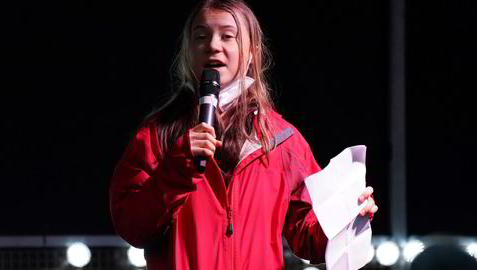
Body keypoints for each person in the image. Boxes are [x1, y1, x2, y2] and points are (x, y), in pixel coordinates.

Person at [109, 0, 378, 269]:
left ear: (252, 52)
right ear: (188, 51)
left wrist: (348, 219)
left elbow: (309, 240)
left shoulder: (283, 140)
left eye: (228, 36)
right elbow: (132, 227)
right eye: (200, 36)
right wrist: (176, 170)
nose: (213, 45)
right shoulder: (157, 136)